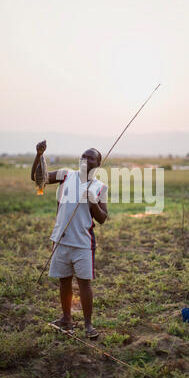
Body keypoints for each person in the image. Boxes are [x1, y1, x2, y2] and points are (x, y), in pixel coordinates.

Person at [31, 140, 108, 339]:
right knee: (64, 281)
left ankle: (88, 325)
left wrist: (92, 202)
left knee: (84, 283)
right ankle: (66, 319)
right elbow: (38, 178)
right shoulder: (66, 174)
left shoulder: (100, 187)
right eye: (84, 155)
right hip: (61, 240)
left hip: (83, 243)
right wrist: (39, 155)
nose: (86, 159)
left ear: (98, 164)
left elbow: (102, 219)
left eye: (91, 157)